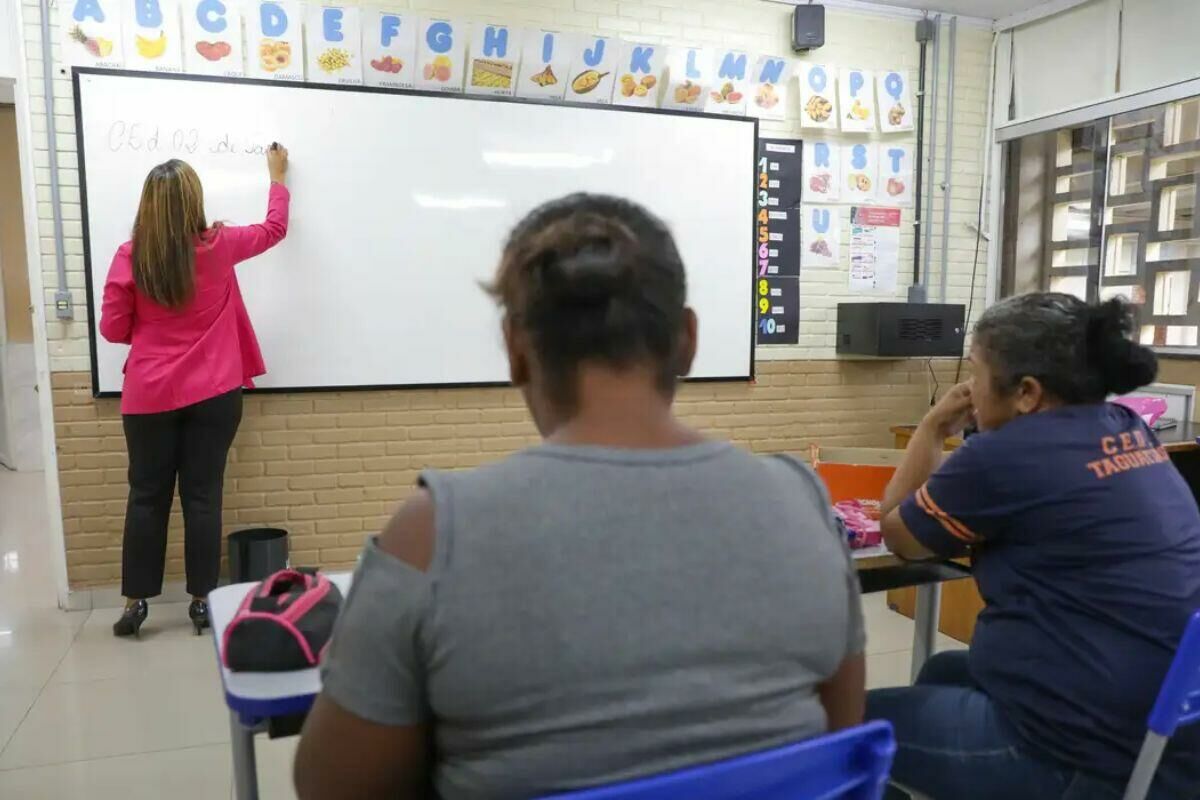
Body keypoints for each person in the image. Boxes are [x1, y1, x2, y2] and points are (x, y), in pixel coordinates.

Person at [294, 194, 866, 799]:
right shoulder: (802, 502)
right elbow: (838, 740)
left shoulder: (433, 534)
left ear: (515, 349)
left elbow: (331, 788)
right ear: (688, 341)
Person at [868, 293, 1200, 800]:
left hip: (1076, 754)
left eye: (975, 372)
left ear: (1026, 392)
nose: (969, 390)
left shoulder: (1006, 456)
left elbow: (898, 536)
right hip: (1164, 734)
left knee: (836, 721)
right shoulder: (1128, 428)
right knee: (941, 670)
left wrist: (934, 425)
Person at [100, 147, 290, 638]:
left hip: (148, 397)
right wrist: (277, 178)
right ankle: (202, 601)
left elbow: (112, 327)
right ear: (193, 201)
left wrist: (152, 336)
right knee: (203, 498)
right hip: (215, 394)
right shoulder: (220, 245)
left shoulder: (130, 256)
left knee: (146, 497)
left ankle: (134, 604)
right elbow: (274, 230)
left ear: (148, 205)